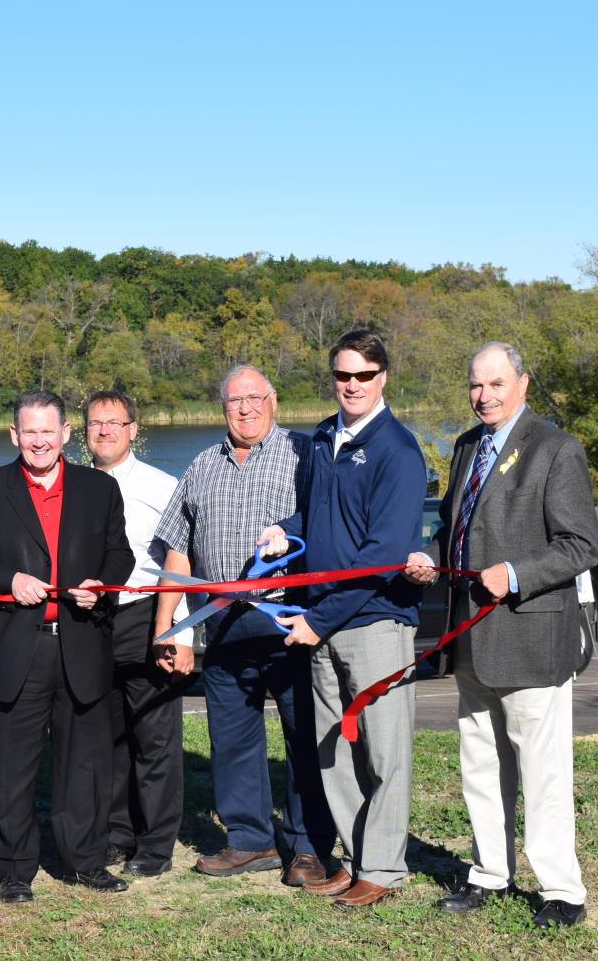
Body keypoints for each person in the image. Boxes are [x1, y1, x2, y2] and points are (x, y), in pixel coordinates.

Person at [404, 342, 598, 929]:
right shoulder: (468, 446)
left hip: (532, 639)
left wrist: (514, 574)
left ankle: (561, 890)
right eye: (474, 385)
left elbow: (580, 545)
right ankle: (489, 873)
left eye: (495, 384)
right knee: (481, 766)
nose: (483, 395)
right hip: (470, 638)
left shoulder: (556, 450)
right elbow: (455, 528)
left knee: (542, 775)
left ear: (523, 384)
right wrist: (430, 557)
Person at [257, 330, 427, 908]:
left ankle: (382, 866)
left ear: (384, 377)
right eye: (342, 374)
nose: (352, 385)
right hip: (324, 621)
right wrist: (287, 528)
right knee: (334, 750)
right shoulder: (326, 436)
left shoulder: (397, 450)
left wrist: (319, 619)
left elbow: (381, 553)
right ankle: (354, 860)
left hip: (373, 622)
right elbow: (322, 514)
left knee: (382, 753)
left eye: (364, 375)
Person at [0, 390, 136, 903]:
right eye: (28, 432)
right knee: (12, 766)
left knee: (85, 765)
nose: (38, 441)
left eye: (47, 431)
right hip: (16, 647)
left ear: (65, 434)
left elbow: (121, 555)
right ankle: (13, 869)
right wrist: (8, 579)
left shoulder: (100, 489)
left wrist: (102, 582)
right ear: (14, 435)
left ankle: (85, 862)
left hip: (82, 645)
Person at [152, 366, 334, 887]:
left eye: (255, 398)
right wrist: (171, 630)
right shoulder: (201, 466)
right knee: (231, 738)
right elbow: (177, 550)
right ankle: (250, 840)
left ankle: (308, 846)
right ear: (222, 406)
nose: (246, 409)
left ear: (273, 400)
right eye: (235, 400)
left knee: (305, 738)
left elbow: (329, 526)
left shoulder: (306, 455)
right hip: (223, 627)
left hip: (290, 622)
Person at [83, 390, 185, 878]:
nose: (104, 431)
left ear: (133, 429)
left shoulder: (162, 486)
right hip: (93, 619)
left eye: (114, 423)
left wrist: (177, 631)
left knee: (155, 736)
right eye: (95, 424)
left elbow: (181, 560)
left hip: (148, 613)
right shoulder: (75, 484)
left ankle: (155, 843)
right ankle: (115, 832)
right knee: (107, 735)